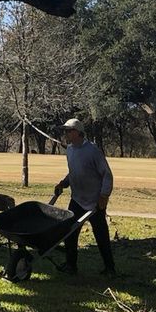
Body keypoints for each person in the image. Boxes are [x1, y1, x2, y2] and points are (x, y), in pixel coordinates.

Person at [53, 117, 117, 277]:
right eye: (65, 131)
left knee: (101, 235)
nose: (65, 134)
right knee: (70, 233)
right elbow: (75, 172)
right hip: (77, 200)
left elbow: (107, 175)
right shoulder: (70, 150)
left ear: (78, 132)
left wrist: (104, 196)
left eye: (68, 131)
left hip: (95, 203)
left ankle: (110, 269)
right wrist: (64, 183)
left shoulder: (92, 150)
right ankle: (71, 265)